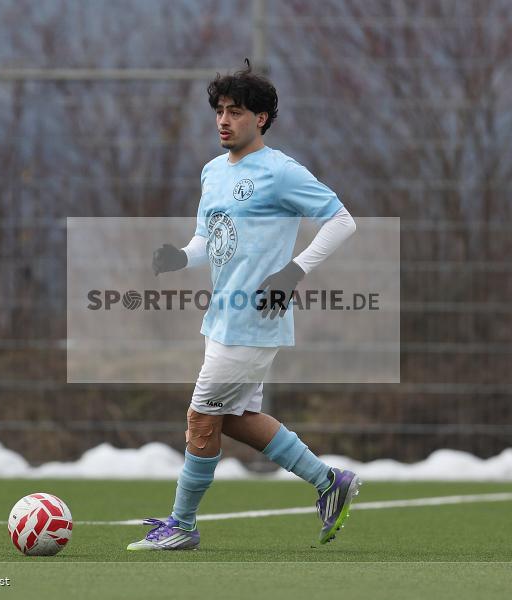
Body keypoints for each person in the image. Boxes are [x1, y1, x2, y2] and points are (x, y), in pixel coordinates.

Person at [128, 61, 359, 551]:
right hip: (222, 318)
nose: (224, 120)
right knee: (232, 419)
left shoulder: (280, 171)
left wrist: (294, 271)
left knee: (200, 417)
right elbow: (207, 239)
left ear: (262, 119)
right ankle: (328, 483)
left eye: (236, 111)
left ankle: (182, 525)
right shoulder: (213, 172)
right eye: (219, 111)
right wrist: (179, 257)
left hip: (255, 318)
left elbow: (342, 221)